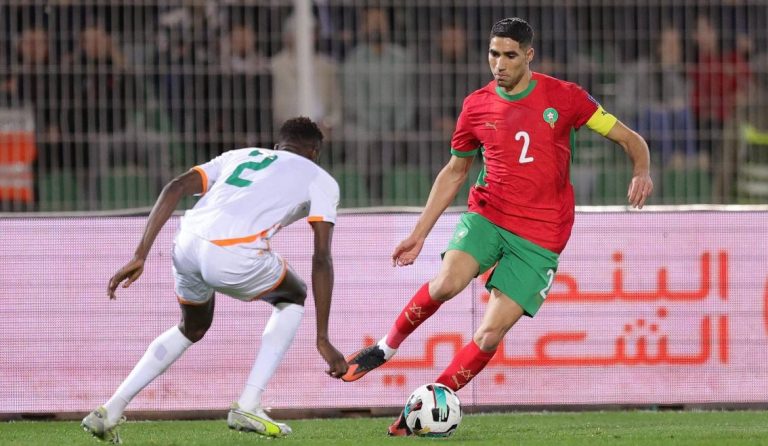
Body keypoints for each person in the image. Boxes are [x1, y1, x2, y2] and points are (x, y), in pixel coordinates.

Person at [341, 18, 653, 436]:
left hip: (541, 235)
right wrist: (419, 234)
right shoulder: (476, 105)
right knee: (446, 283)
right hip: (488, 215)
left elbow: (631, 139)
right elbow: (455, 172)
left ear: (529, 55)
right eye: (493, 54)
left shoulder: (566, 98)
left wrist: (641, 170)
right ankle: (384, 348)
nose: (499, 64)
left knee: (489, 335)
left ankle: (427, 405)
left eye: (509, 55)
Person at [81, 117, 348, 443]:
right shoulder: (321, 179)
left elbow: (175, 186)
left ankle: (110, 410)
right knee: (293, 294)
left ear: (278, 146)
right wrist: (322, 338)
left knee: (191, 327)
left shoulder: (241, 155)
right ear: (315, 152)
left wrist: (140, 254)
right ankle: (249, 404)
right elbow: (322, 258)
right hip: (232, 254)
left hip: (187, 244)